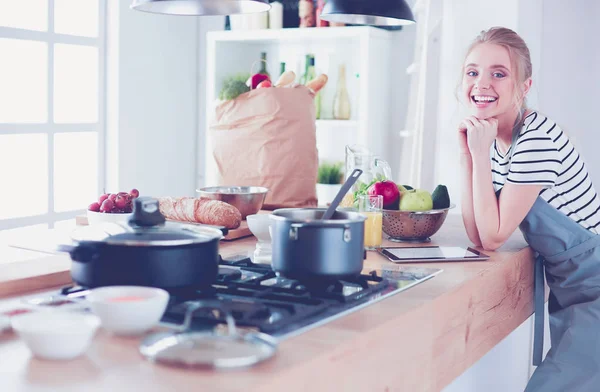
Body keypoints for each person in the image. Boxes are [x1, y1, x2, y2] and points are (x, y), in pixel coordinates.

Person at [458, 26, 600, 391]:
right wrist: (468, 156)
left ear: (524, 87)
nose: (481, 83)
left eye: (499, 73)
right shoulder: (494, 138)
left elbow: (492, 235)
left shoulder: (536, 139)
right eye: (472, 72)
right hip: (573, 286)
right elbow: (477, 232)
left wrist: (477, 154)